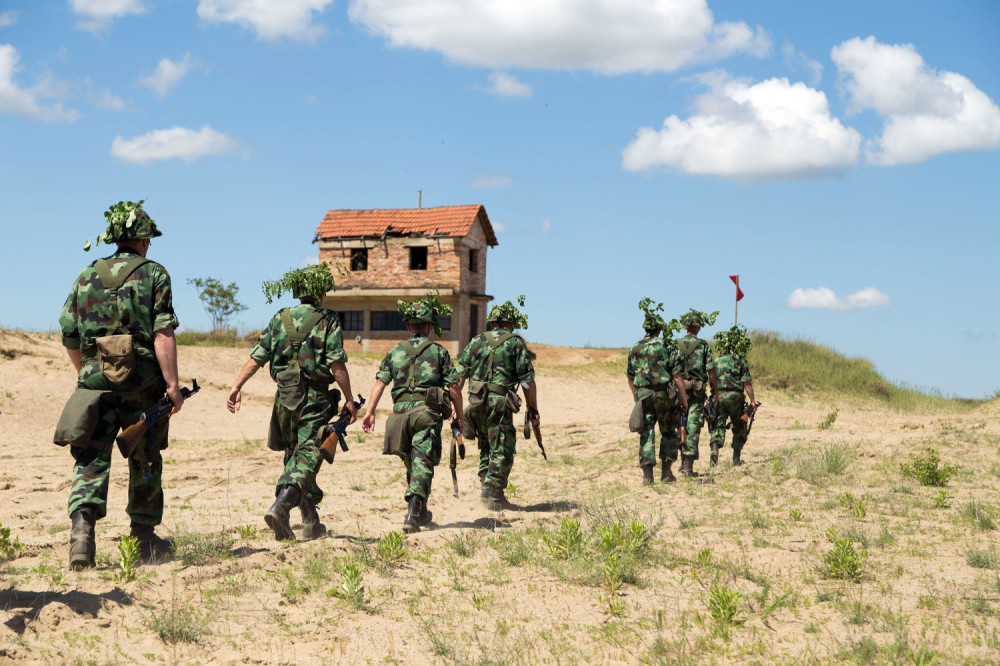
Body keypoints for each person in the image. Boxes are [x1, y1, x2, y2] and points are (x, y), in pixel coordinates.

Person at [56, 200, 183, 569]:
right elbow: (163, 333)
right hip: (141, 381)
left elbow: (68, 333)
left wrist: (88, 372)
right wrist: (173, 386)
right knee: (145, 457)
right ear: (143, 240)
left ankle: (82, 534)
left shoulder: (85, 276)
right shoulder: (155, 274)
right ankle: (143, 541)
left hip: (94, 378)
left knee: (90, 455)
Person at [227, 263, 355, 542]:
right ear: (321, 290)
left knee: (294, 457)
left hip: (284, 398)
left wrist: (237, 386)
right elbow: (336, 364)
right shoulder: (328, 319)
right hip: (314, 398)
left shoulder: (279, 318)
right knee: (309, 456)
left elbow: (258, 356)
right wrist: (349, 399)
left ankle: (310, 520)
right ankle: (281, 507)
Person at [361, 295, 462, 533]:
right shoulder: (439, 352)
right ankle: (412, 514)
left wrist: (370, 412)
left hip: (399, 416)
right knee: (422, 462)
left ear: (408, 327)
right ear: (429, 327)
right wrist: (460, 416)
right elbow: (454, 388)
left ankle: (421, 511)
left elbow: (379, 384)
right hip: (426, 414)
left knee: (413, 463)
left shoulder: (394, 352)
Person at [455, 296, 539, 509]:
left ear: (492, 323)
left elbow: (458, 377)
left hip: (476, 402)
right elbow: (528, 382)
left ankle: (487, 487)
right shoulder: (515, 342)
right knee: (502, 446)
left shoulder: (476, 341)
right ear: (511, 325)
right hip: (499, 403)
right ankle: (492, 494)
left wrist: (455, 407)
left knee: (485, 444)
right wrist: (533, 410)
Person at [626, 299, 688, 484]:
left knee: (646, 432)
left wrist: (635, 395)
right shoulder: (667, 345)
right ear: (659, 329)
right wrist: (683, 398)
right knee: (668, 431)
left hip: (643, 394)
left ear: (645, 329)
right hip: (663, 394)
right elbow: (677, 376)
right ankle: (666, 473)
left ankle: (647, 477)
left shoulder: (634, 348)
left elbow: (630, 376)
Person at [675, 309, 719, 477]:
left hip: (679, 392)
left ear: (686, 326)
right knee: (692, 426)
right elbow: (711, 370)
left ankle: (682, 463)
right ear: (697, 327)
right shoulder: (703, 345)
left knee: (680, 425)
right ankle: (687, 468)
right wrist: (715, 391)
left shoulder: (675, 344)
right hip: (697, 392)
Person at [708, 325, 757, 466]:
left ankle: (715, 452)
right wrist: (752, 400)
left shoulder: (716, 361)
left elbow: (711, 379)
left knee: (718, 424)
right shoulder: (740, 360)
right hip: (736, 397)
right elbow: (746, 382)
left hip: (720, 396)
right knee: (740, 425)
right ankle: (736, 459)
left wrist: (714, 395)